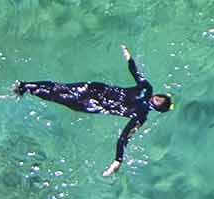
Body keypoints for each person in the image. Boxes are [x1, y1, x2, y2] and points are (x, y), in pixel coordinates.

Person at [13, 44, 173, 176]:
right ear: (157, 110)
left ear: (156, 96)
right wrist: (118, 160)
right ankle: (27, 89)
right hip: (91, 104)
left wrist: (129, 58)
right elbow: (124, 137)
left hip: (95, 89)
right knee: (57, 97)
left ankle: (25, 85)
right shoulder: (141, 116)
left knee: (59, 87)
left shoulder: (146, 88)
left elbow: (136, 72)